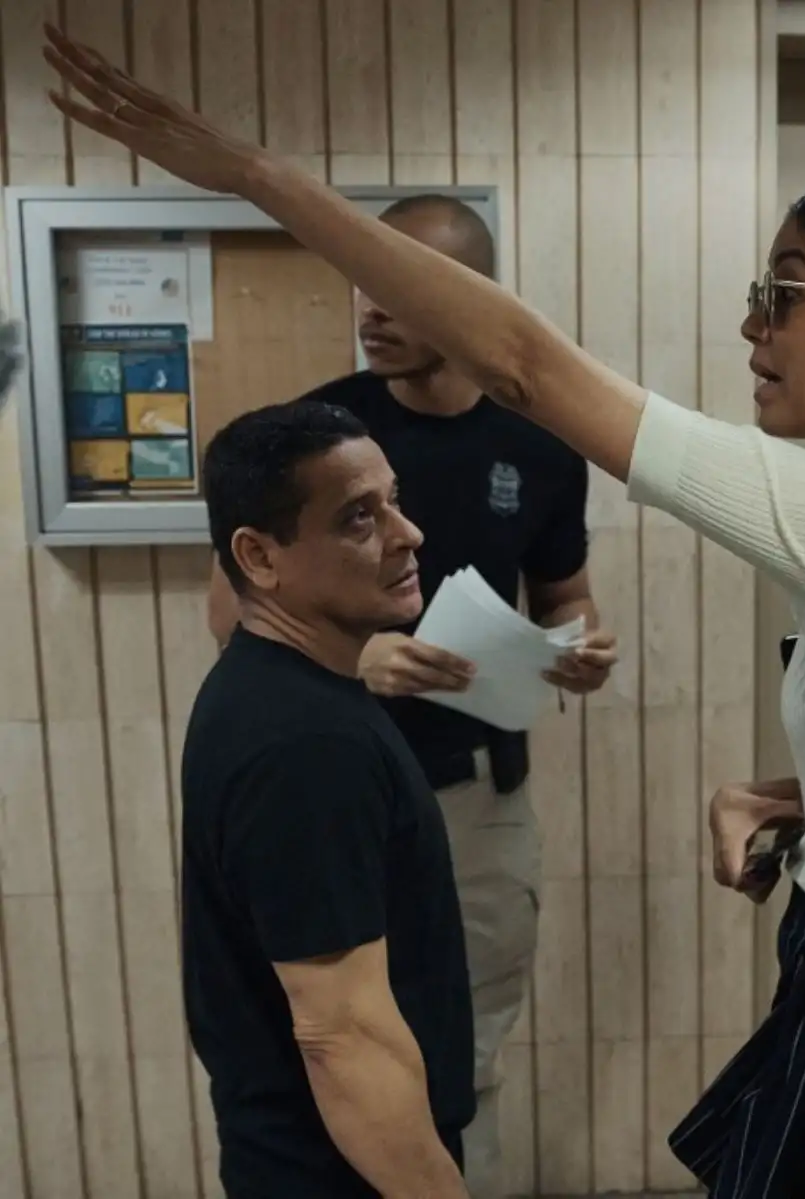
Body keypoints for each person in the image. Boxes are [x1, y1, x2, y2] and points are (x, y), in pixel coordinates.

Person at [42, 26, 805, 1198]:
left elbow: (524, 367)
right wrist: (800, 795)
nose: (754, 326)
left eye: (785, 290)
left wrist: (261, 177)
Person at [201, 193, 616, 1197]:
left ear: (461, 299)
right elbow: (233, 603)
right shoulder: (330, 433)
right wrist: (362, 665)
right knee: (332, 1043)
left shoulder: (541, 444)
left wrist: (580, 649)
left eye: (393, 288)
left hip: (474, 799)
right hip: (343, 785)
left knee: (456, 1056)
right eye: (361, 286)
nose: (369, 309)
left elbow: (568, 599)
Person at [181, 401, 473, 1197]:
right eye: (357, 518)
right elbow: (342, 1036)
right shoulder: (304, 744)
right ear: (259, 556)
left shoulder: (280, 690)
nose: (406, 533)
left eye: (394, 500)